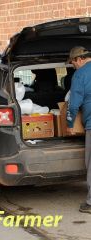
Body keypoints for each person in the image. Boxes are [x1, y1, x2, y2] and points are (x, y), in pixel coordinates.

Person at [66, 46, 91, 214]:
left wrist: (69, 125)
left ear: (79, 59)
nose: (73, 66)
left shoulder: (80, 74)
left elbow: (73, 105)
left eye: (72, 62)